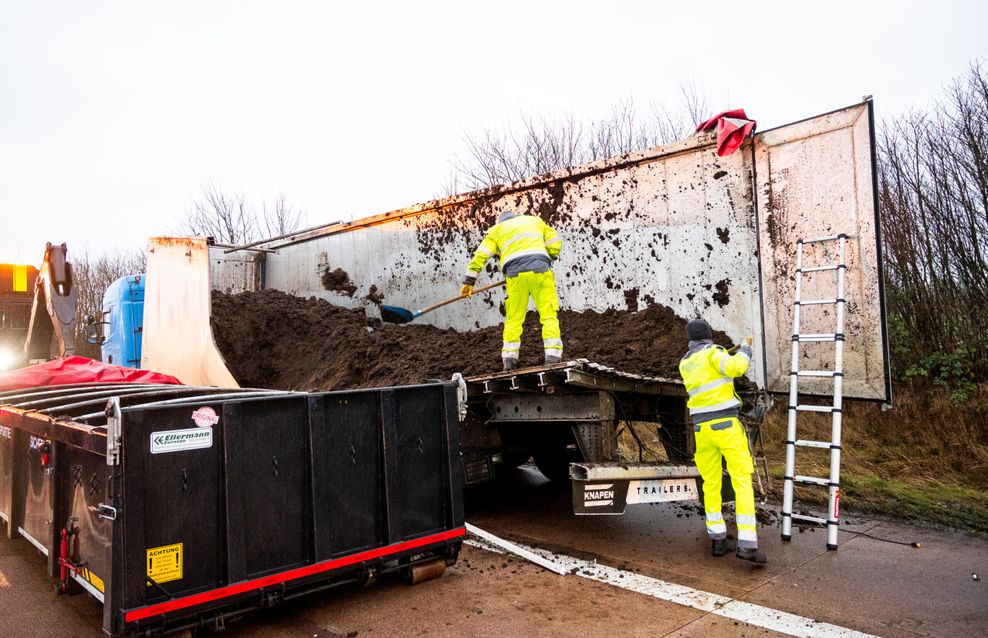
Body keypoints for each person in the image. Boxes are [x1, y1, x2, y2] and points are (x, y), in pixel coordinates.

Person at [678, 318, 766, 565]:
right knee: (741, 482)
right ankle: (747, 545)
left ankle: (718, 539)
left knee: (710, 483)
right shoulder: (713, 353)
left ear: (690, 339)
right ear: (709, 336)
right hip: (726, 426)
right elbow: (736, 368)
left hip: (701, 430)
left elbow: (709, 369)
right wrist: (746, 349)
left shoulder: (685, 363)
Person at [461, 211, 563, 371]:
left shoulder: (496, 230)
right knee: (548, 315)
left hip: (514, 275)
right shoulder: (535, 221)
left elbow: (480, 256)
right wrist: (549, 257)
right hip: (541, 271)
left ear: (500, 221)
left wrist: (469, 281)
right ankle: (553, 356)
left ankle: (509, 360)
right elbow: (555, 243)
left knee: (514, 319)